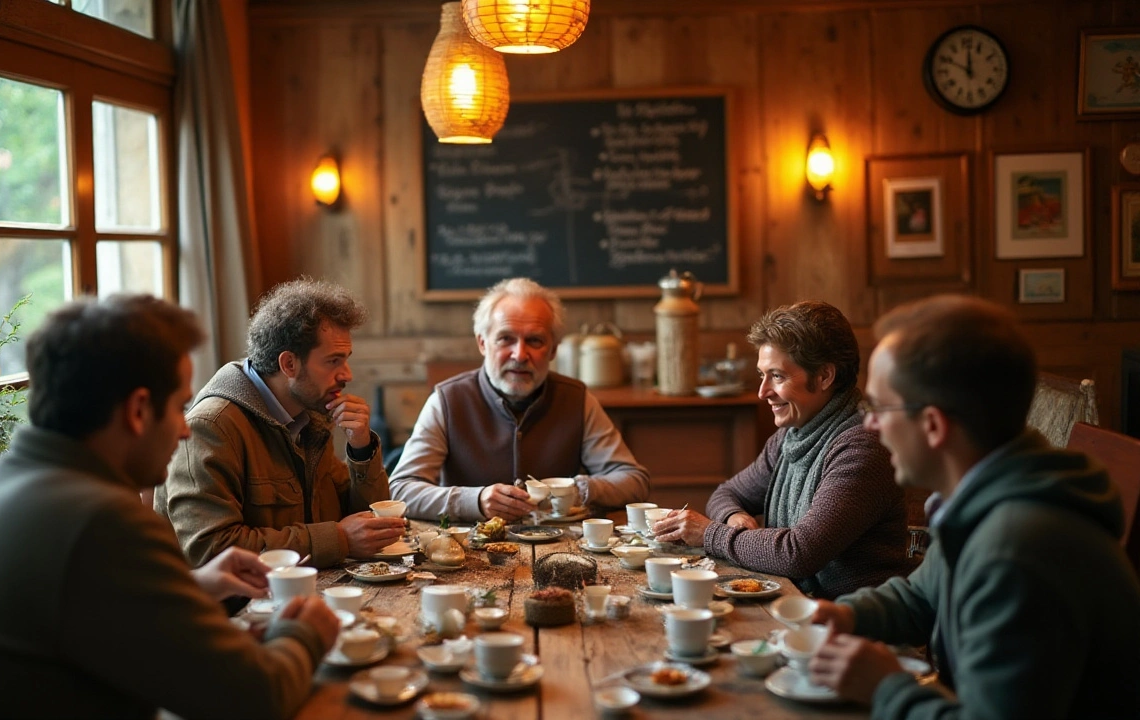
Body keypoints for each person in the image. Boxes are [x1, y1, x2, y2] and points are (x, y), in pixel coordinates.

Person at [0, 295, 340, 719]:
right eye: (179, 406)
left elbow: (83, 607)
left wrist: (193, 586)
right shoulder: (101, 521)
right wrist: (303, 632)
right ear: (139, 410)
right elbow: (256, 699)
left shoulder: (9, 480)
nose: (184, 428)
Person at [807, 295, 1140, 719]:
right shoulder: (984, 498)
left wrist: (885, 687)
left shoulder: (1018, 550)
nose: (869, 423)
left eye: (879, 407)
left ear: (933, 425)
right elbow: (920, 597)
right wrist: (846, 615)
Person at [653, 300, 914, 598]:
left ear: (825, 376)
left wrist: (711, 533)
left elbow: (799, 553)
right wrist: (732, 517)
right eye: (762, 374)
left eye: (777, 376)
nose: (763, 391)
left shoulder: (862, 446)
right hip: (798, 610)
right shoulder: (792, 433)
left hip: (854, 627)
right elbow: (726, 494)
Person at [156, 278, 405, 569]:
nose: (347, 374)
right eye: (333, 361)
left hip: (296, 593)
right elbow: (213, 551)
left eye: (346, 359)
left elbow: (363, 525)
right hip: (233, 610)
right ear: (288, 364)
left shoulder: (309, 417)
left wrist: (361, 449)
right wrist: (338, 539)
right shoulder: (211, 427)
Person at [389, 277, 649, 522]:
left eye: (534, 341)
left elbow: (634, 481)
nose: (520, 354)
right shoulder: (448, 400)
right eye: (506, 339)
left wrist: (577, 489)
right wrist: (475, 501)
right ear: (483, 343)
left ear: (553, 350)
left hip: (557, 550)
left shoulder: (577, 399)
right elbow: (400, 490)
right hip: (469, 553)